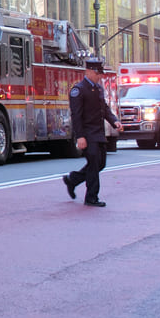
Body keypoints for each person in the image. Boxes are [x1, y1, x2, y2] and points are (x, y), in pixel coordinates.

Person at [63, 58, 121, 208]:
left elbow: (105, 109)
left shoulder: (99, 89)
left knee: (100, 164)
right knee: (94, 164)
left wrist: (114, 121)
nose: (99, 76)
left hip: (99, 132)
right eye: (97, 73)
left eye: (100, 74)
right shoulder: (79, 90)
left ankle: (73, 179)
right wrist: (80, 136)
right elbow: (76, 115)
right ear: (88, 72)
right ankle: (91, 197)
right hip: (88, 133)